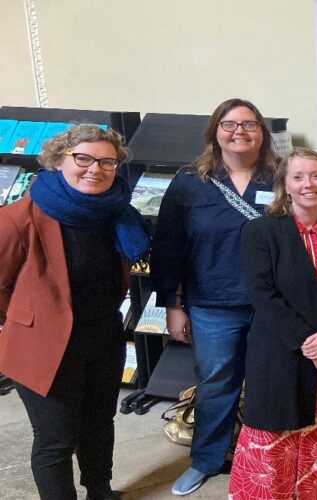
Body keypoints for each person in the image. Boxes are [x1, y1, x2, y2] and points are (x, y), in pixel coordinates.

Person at [0, 124, 150, 500]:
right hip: (43, 345)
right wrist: (26, 321)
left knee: (99, 423)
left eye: (106, 162)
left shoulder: (115, 213)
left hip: (102, 337)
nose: (94, 169)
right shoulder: (21, 217)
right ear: (58, 160)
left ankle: (99, 490)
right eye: (82, 158)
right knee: (56, 438)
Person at [150, 98, 279, 496]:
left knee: (268, 383)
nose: (239, 130)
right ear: (214, 132)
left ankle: (262, 462)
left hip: (272, 303)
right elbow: (168, 246)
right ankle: (205, 460)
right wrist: (173, 306)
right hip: (212, 304)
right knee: (216, 385)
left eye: (249, 123)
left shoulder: (282, 178)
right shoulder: (190, 182)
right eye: (229, 123)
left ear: (262, 132)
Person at [229, 148, 317, 499]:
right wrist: (309, 342)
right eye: (298, 177)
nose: (309, 184)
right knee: (275, 433)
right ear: (285, 186)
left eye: (316, 176)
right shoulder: (259, 231)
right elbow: (263, 295)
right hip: (280, 353)